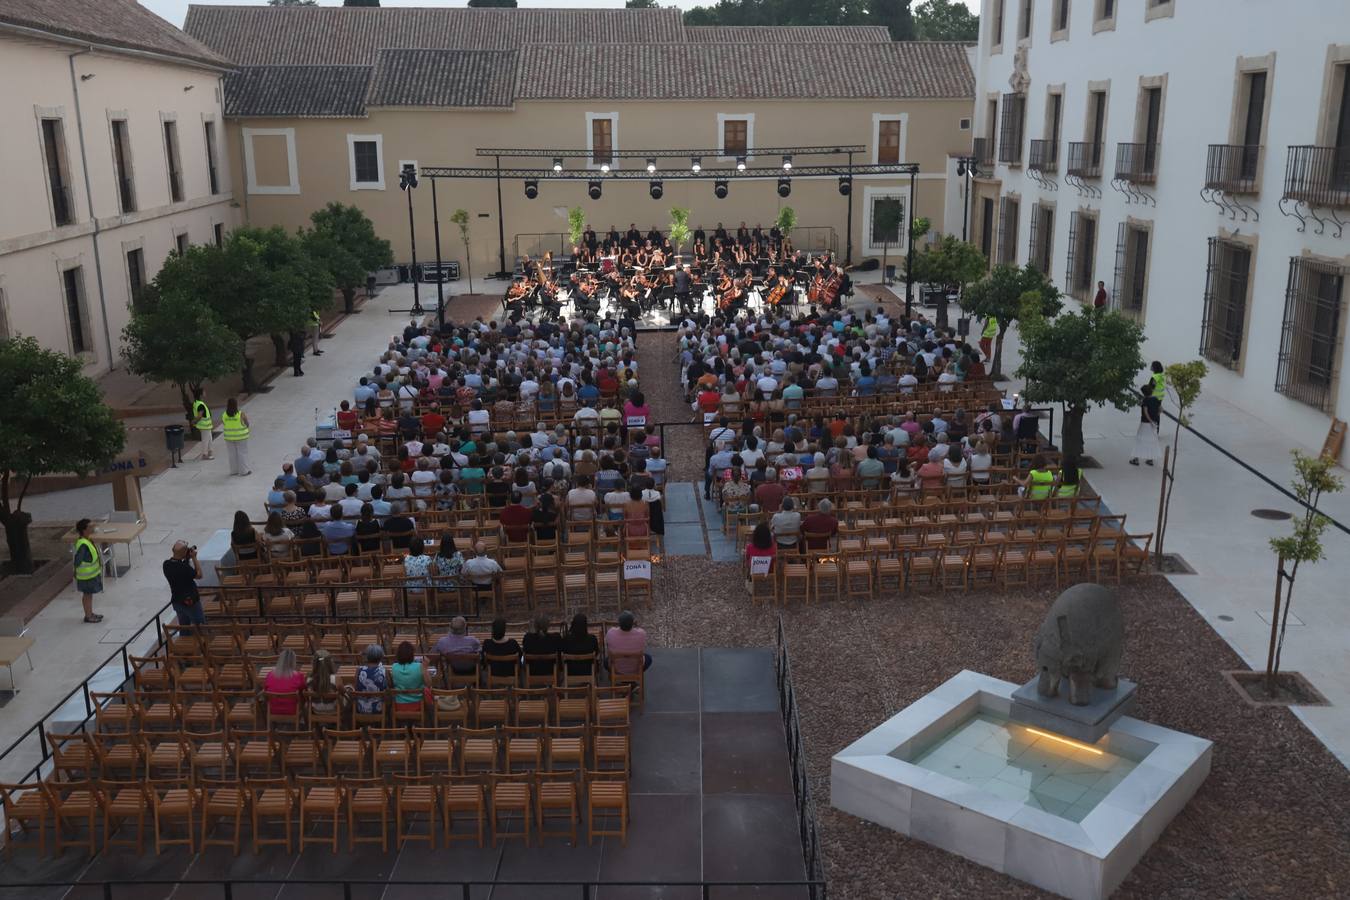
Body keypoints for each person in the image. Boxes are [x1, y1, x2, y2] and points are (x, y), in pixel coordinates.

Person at [163, 540, 205, 630]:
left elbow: (179, 569)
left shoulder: (166, 565)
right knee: (200, 626)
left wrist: (186, 558)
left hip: (177, 601)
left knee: (184, 628)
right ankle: (201, 643)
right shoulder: (184, 568)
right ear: (184, 552)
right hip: (190, 602)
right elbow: (199, 575)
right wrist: (194, 558)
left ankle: (184, 642)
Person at [71, 518, 104, 623]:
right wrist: (75, 571)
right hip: (86, 576)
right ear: (84, 530)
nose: (92, 528)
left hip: (89, 575)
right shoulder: (83, 544)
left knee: (89, 595)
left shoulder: (87, 540)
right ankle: (88, 616)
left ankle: (90, 613)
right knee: (87, 595)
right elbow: (77, 560)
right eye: (90, 527)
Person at [263, 648, 306, 719]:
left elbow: (265, 689)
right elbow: (304, 690)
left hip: (273, 710)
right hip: (292, 710)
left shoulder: (270, 674)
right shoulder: (298, 675)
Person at [605, 610, 652, 674]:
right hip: (636, 668)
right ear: (632, 623)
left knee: (605, 661)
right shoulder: (641, 634)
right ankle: (635, 675)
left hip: (616, 669)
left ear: (619, 623)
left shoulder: (611, 633)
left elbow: (608, 646)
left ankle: (616, 677)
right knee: (648, 658)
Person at [349, 644, 387, 717]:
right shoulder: (383, 671)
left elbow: (355, 687)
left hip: (361, 708)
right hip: (378, 708)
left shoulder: (359, 670)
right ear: (380, 656)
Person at [390, 641, 427, 716]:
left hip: (399, 704)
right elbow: (429, 684)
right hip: (418, 703)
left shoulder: (394, 667)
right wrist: (425, 668)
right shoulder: (419, 666)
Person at [1131, 379, 1163, 466]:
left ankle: (1136, 459)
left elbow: (1145, 412)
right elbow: (1161, 409)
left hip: (1145, 423)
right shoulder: (1156, 399)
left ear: (1144, 393)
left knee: (1140, 439)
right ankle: (1150, 459)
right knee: (1152, 440)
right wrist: (1155, 417)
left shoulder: (1145, 400)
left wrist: (1150, 420)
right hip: (1154, 423)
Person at [522, 613, 560, 680]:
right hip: (550, 670)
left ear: (535, 626)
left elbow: (525, 651)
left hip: (532, 670)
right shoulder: (555, 638)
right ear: (548, 625)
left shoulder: (528, 639)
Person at [562, 613, 600, 680]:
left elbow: (563, 651)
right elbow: (596, 653)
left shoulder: (566, 639)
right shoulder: (592, 639)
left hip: (571, 671)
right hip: (588, 670)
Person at [221, 396, 252, 476]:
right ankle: (243, 471)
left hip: (229, 438)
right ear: (236, 405)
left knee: (232, 454)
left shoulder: (224, 415)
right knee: (242, 453)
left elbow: (224, 424)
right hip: (241, 437)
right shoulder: (241, 414)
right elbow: (247, 423)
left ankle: (233, 471)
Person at [308, 650, 339, 715]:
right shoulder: (335, 679)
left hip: (316, 710)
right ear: (330, 663)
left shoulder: (309, 679)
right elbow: (343, 692)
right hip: (332, 709)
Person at [191, 388, 214, 460]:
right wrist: (194, 421)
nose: (205, 393)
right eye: (204, 392)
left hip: (206, 425)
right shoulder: (200, 404)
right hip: (205, 425)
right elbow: (200, 415)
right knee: (206, 440)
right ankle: (205, 454)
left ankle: (210, 452)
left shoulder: (197, 402)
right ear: (201, 395)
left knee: (209, 439)